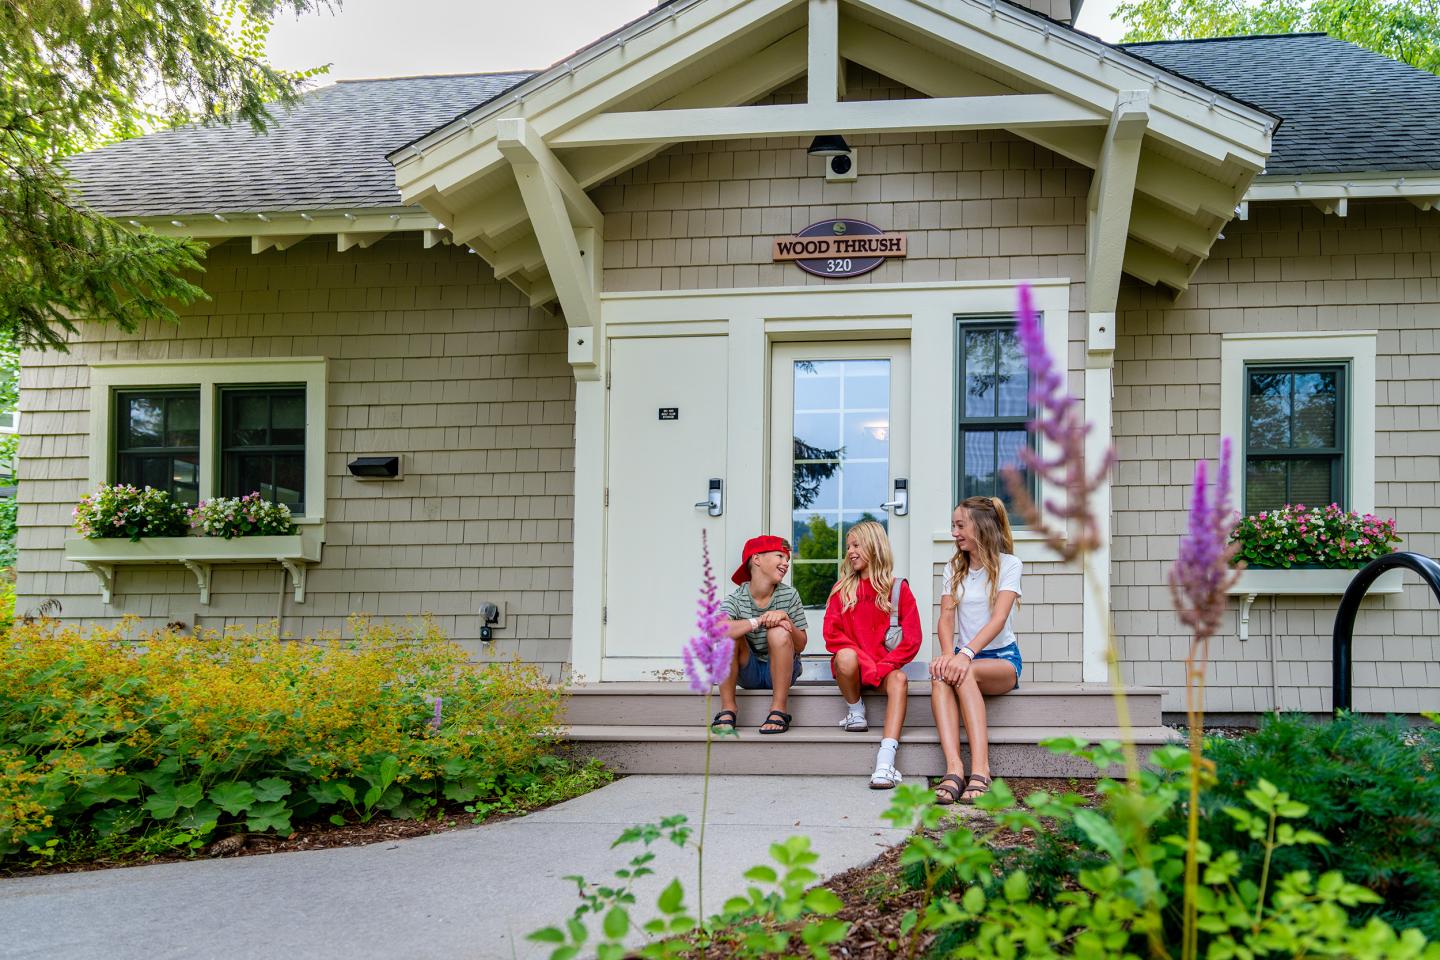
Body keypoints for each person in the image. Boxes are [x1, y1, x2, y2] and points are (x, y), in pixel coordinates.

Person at [929, 497, 1023, 804]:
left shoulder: (1009, 565)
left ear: (981, 527)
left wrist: (964, 655)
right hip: (963, 657)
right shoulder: (953, 568)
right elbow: (946, 618)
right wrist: (946, 655)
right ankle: (955, 768)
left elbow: (998, 620)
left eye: (960, 525)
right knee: (941, 677)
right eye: (953, 525)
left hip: (1001, 660)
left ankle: (981, 769)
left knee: (962, 672)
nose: (954, 532)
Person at [822, 519, 921, 789]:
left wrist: (884, 666)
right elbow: (832, 635)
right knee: (845, 656)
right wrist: (867, 663)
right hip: (854, 670)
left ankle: (886, 761)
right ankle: (856, 710)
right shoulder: (842, 590)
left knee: (900, 680)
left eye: (857, 545)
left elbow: (912, 640)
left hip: (884, 669)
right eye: (848, 547)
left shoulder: (897, 588)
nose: (850, 551)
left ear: (875, 547)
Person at [713, 535, 809, 735]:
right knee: (727, 637)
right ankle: (728, 708)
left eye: (787, 560)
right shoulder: (736, 599)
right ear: (757, 559)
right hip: (749, 672)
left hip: (783, 672)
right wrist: (758, 621)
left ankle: (779, 710)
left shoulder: (789, 595)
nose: (786, 563)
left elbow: (800, 646)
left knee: (778, 631)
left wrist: (786, 619)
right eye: (780, 556)